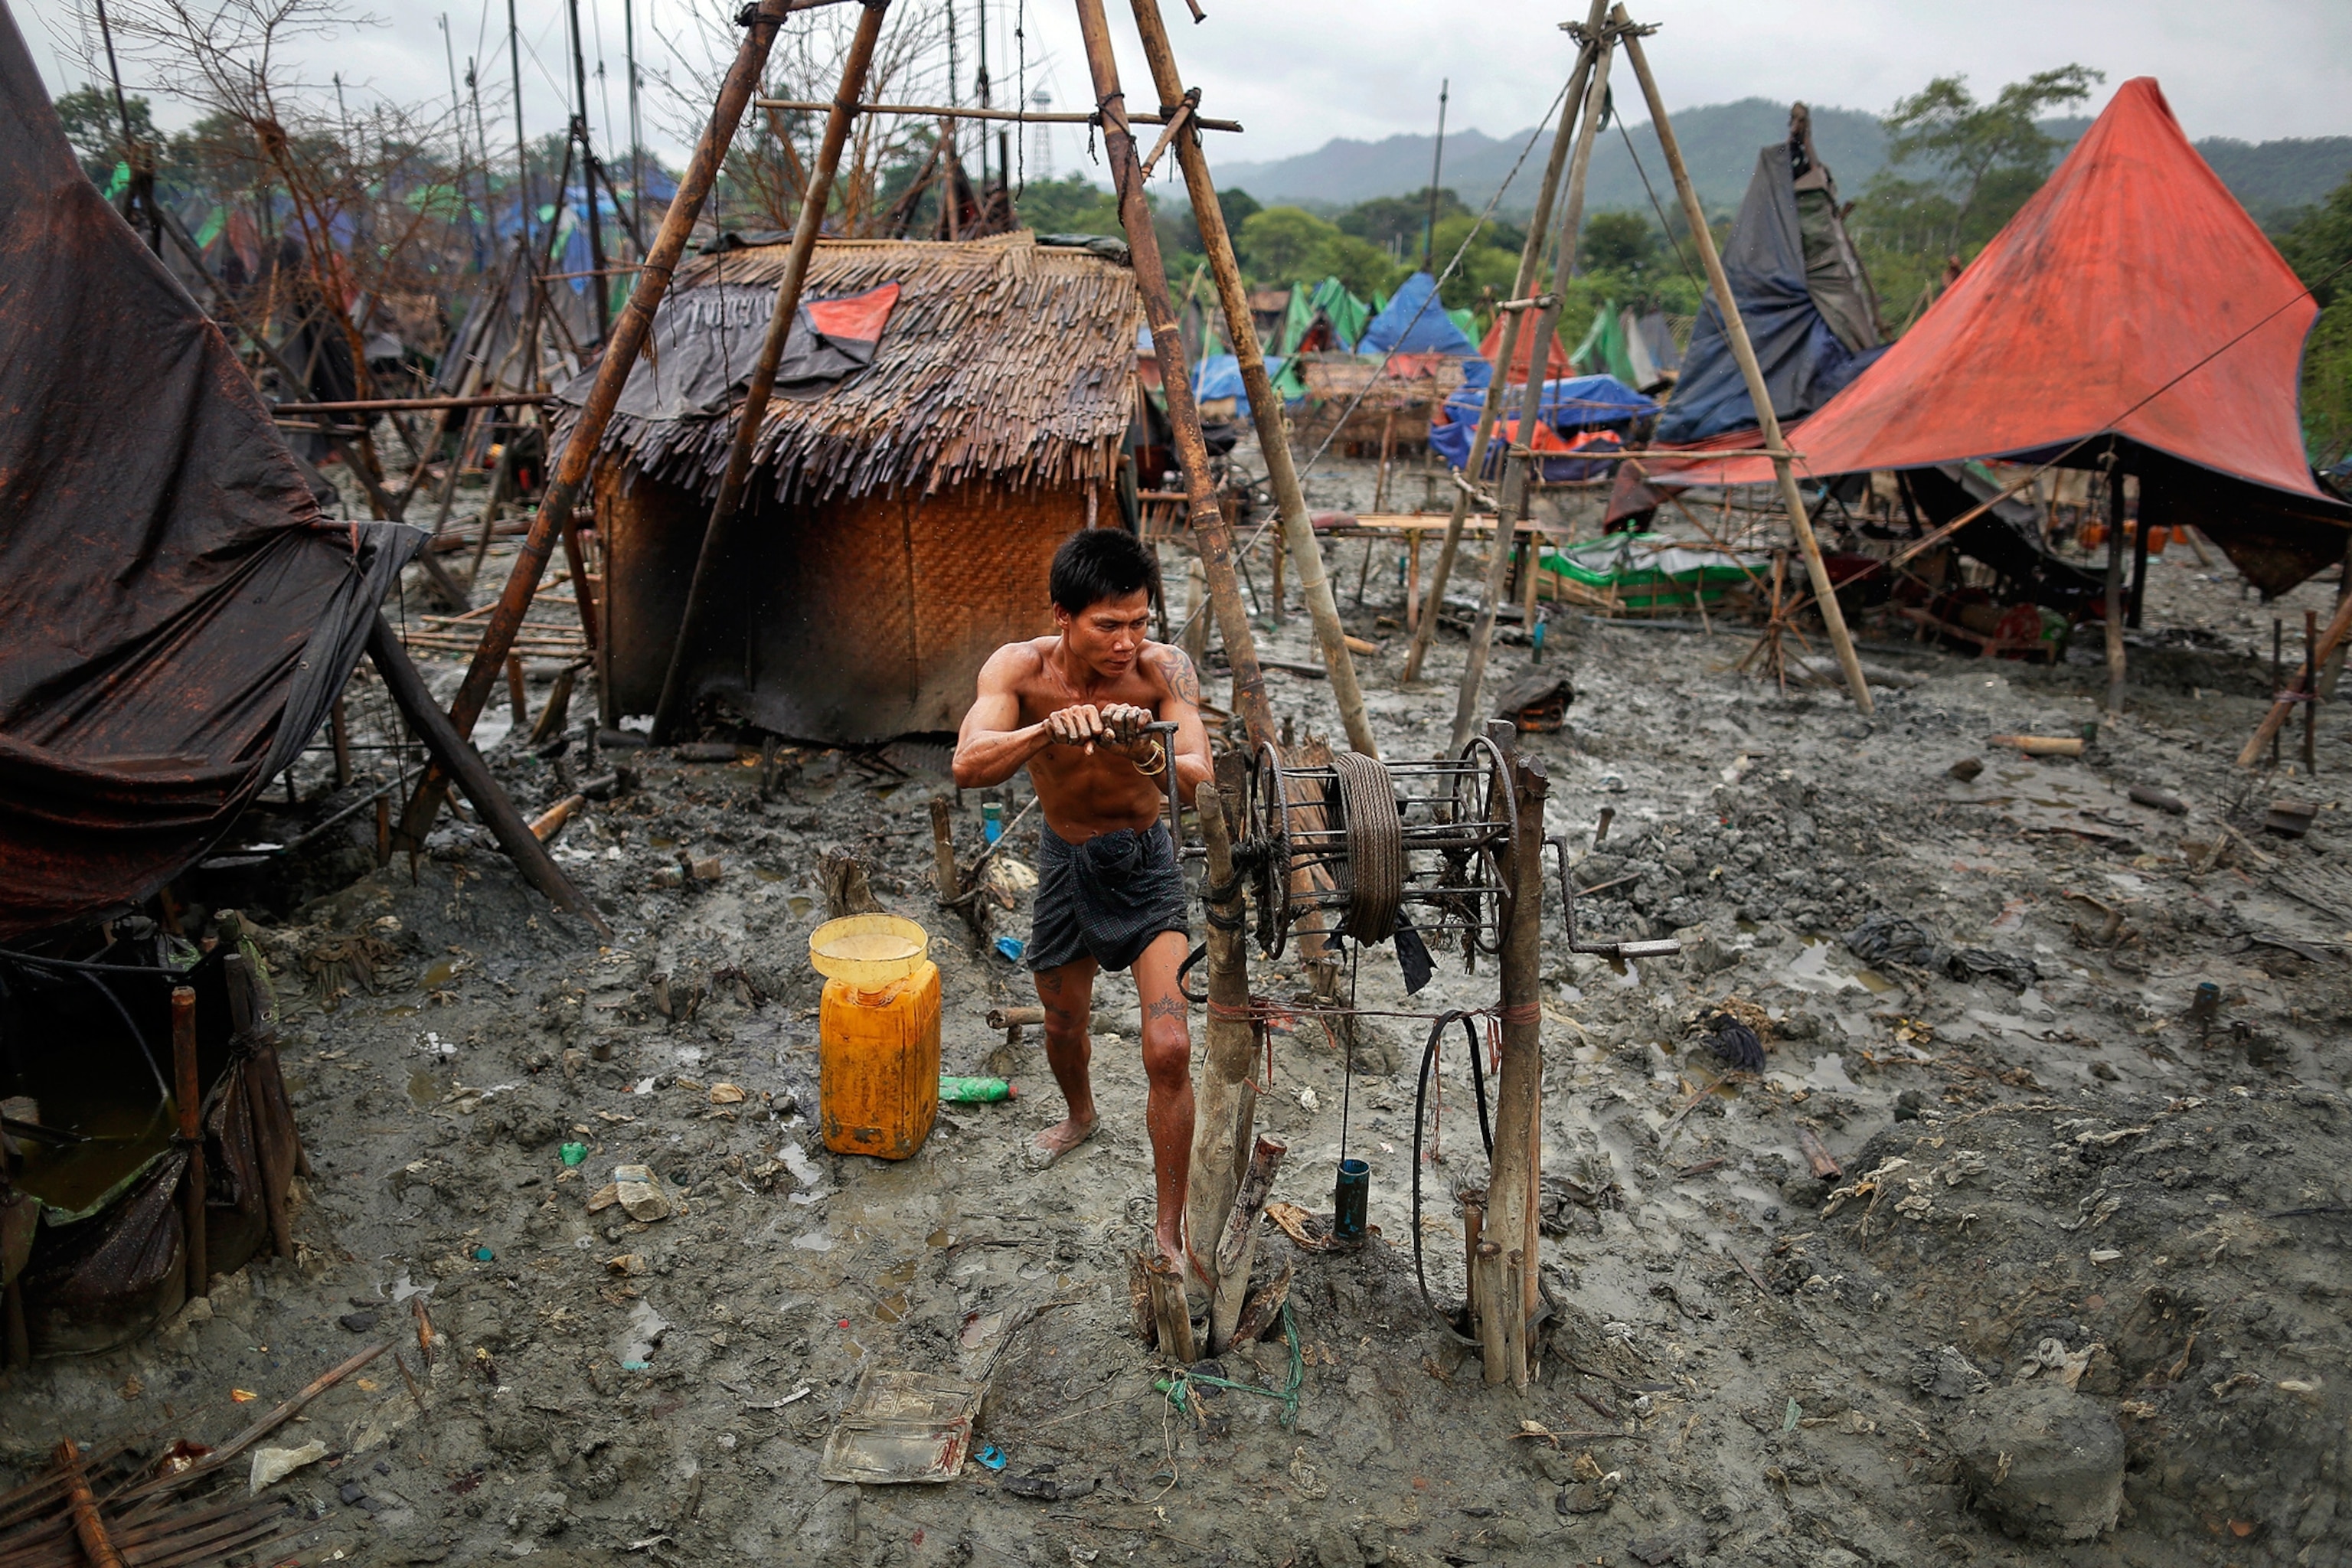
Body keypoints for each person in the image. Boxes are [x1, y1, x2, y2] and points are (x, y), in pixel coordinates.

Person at [952, 529, 1212, 1272]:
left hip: (1144, 859)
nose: (1129, 641)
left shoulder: (1166, 670)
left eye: (1140, 621)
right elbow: (967, 764)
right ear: (1063, 615)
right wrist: (1044, 731)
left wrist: (1147, 752)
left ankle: (1170, 1227)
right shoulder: (1020, 668)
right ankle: (1080, 1115)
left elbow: (1205, 780)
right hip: (1065, 859)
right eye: (1109, 625)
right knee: (1064, 1024)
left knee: (1170, 1046)